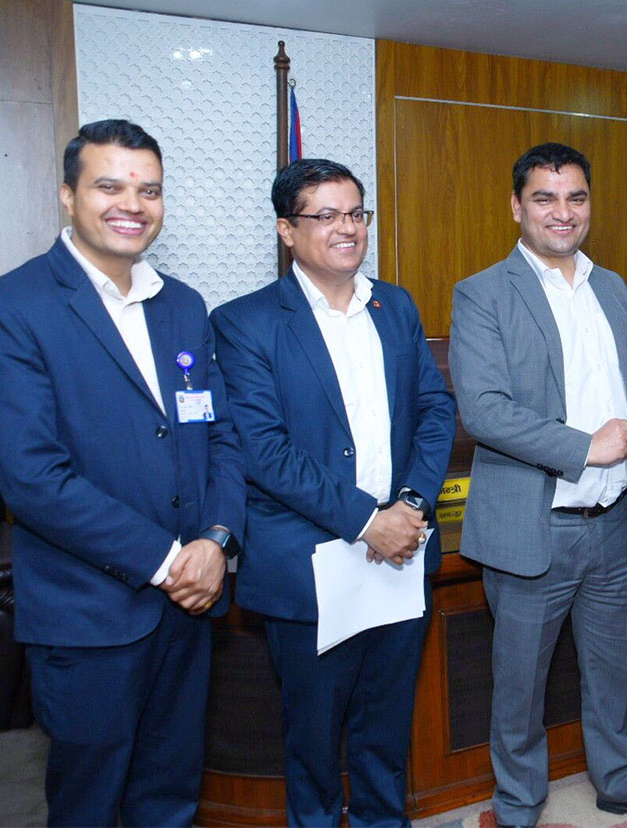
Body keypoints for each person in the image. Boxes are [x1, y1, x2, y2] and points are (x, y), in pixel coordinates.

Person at [0, 119, 246, 826]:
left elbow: (220, 436)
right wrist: (168, 562)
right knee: (89, 804)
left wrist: (217, 540)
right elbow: (34, 479)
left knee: (170, 797)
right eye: (110, 186)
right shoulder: (9, 308)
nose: (132, 204)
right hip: (89, 616)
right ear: (68, 196)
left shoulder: (183, 304)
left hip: (190, 608)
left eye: (149, 190)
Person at [449, 142, 627, 828]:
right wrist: (585, 447)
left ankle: (619, 780)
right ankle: (518, 804)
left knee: (614, 671)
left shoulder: (611, 287)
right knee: (520, 686)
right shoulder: (482, 292)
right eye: (545, 197)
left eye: (576, 197)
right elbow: (484, 410)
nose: (563, 212)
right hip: (535, 526)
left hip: (614, 521)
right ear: (516, 207)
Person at [210, 158, 456, 826]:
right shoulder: (244, 322)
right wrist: (367, 520)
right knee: (314, 740)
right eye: (325, 215)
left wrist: (410, 505)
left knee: (386, 730)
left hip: (401, 554)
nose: (347, 228)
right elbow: (264, 451)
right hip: (311, 564)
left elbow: (435, 411)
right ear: (287, 229)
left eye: (356, 213)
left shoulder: (395, 305)